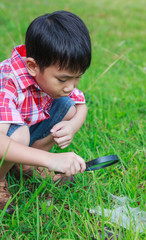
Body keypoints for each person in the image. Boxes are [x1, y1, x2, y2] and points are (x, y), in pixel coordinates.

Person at [0, 10, 91, 213]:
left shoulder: (54, 73)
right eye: (63, 79)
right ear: (32, 66)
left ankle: (26, 166)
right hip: (5, 136)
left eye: (78, 77)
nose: (71, 86)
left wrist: (72, 126)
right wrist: (52, 159)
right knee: (20, 135)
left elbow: (80, 106)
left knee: (67, 108)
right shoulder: (7, 81)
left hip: (21, 128)